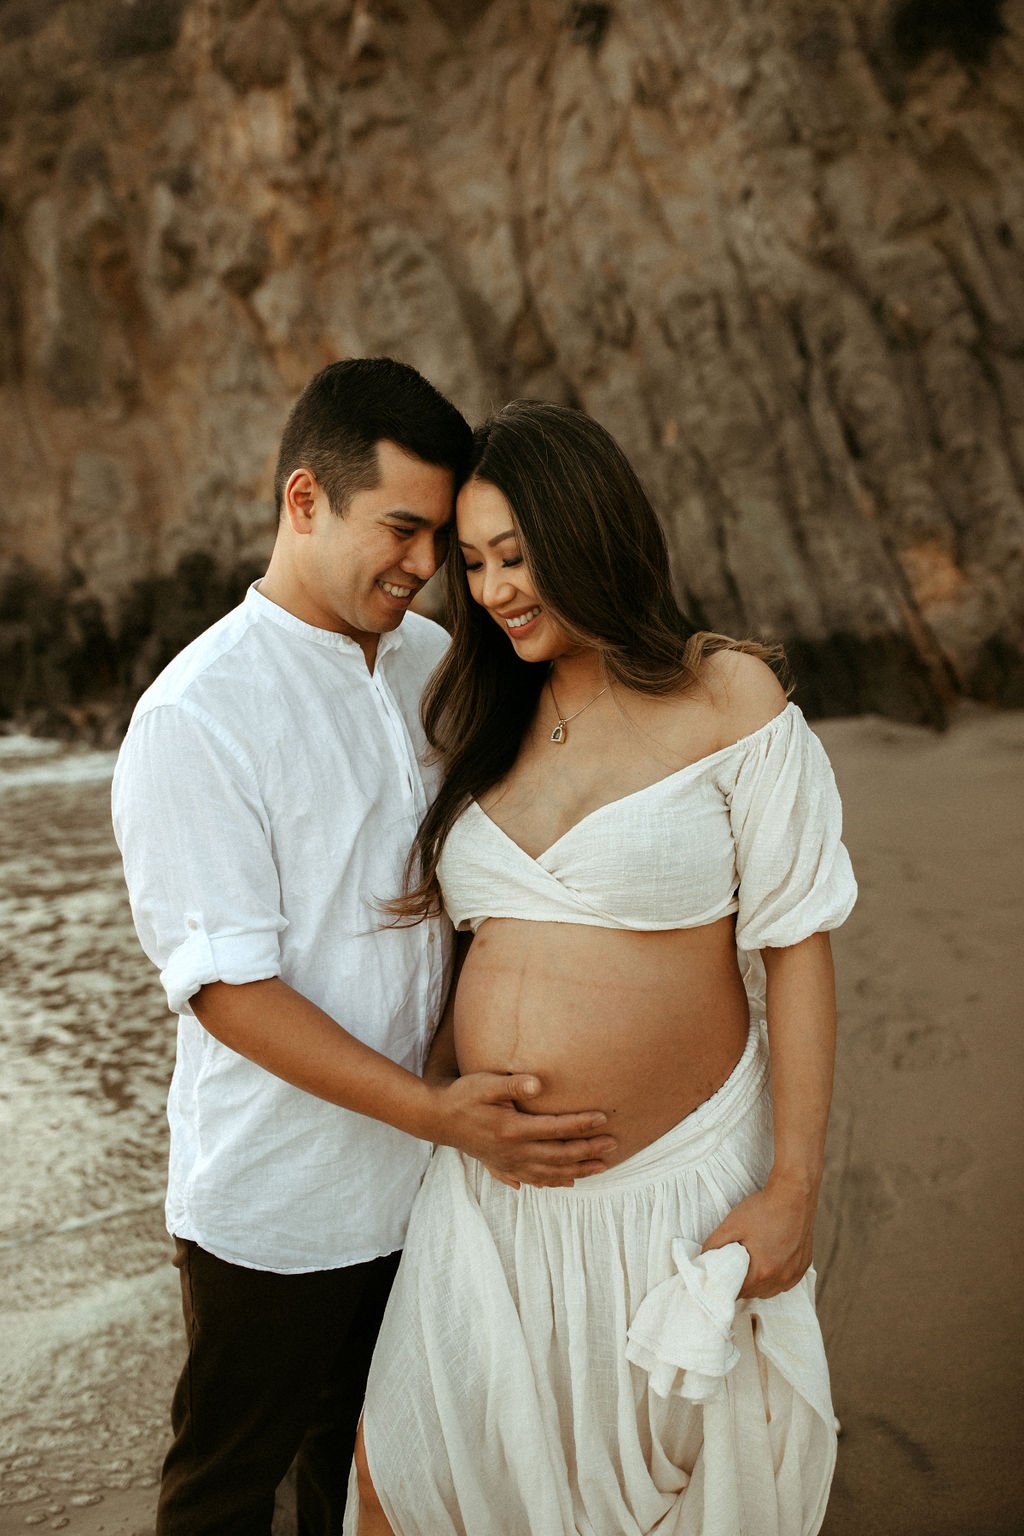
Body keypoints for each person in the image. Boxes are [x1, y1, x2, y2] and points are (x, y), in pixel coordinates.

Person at [111, 362, 616, 1536]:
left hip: (429, 1190)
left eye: (439, 536)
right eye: (401, 527)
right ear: (303, 502)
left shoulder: (431, 663)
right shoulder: (197, 717)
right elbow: (229, 992)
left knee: (371, 1475)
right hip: (280, 1205)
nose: (425, 564)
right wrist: (436, 1110)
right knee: (230, 1491)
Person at [350, 400, 858, 1536]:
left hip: (668, 1200)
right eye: (473, 564)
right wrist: (437, 1104)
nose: (492, 591)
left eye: (517, 557)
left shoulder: (726, 695)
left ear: (588, 530)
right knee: (400, 1483)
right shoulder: (483, 714)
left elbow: (798, 948)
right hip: (483, 1199)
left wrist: (791, 1191)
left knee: (649, 1502)